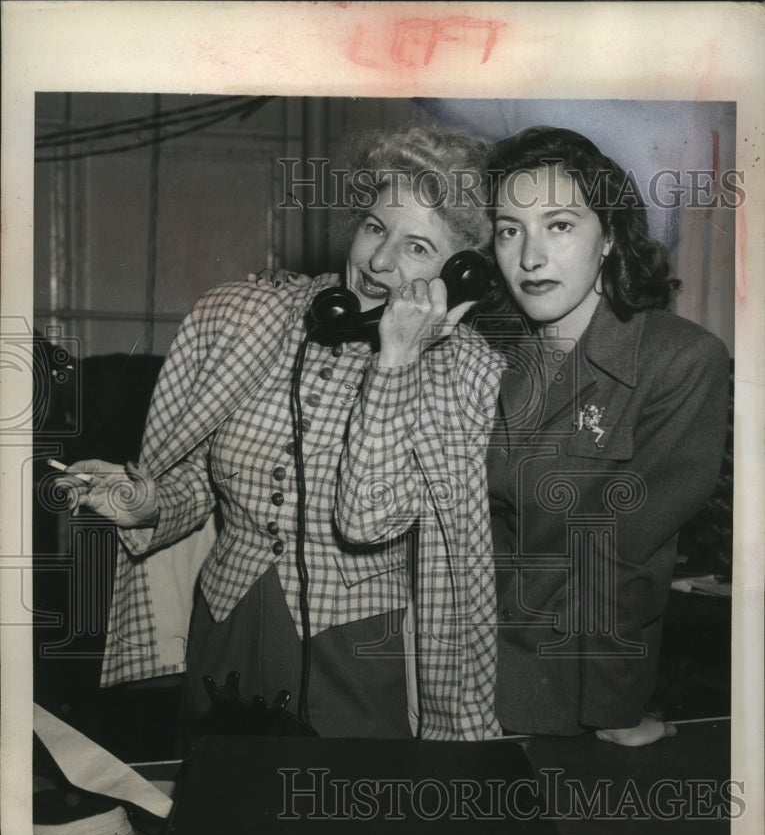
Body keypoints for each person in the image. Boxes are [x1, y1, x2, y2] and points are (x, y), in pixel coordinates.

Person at [60, 123, 504, 746]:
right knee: (221, 818)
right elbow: (201, 480)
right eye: (375, 228)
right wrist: (149, 503)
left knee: (352, 822)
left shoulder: (468, 372)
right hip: (227, 618)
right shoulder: (254, 317)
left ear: (460, 275)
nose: (379, 261)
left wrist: (397, 361)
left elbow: (369, 519)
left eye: (418, 248)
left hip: (357, 644)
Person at [335, 125, 730, 747]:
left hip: (560, 700)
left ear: (610, 237)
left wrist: (615, 710)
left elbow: (624, 557)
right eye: (510, 230)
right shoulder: (480, 352)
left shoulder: (678, 362)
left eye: (561, 225)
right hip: (432, 679)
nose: (530, 257)